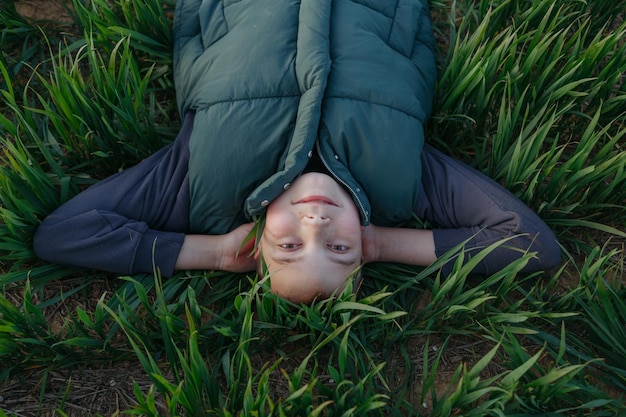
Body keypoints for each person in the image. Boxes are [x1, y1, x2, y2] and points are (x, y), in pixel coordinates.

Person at [33, 0, 561, 303]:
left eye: (286, 249)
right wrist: (383, 242)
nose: (315, 225)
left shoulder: (192, 183)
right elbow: (533, 246)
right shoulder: (408, 182)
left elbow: (64, 233)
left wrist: (213, 253)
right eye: (339, 250)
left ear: (254, 246)